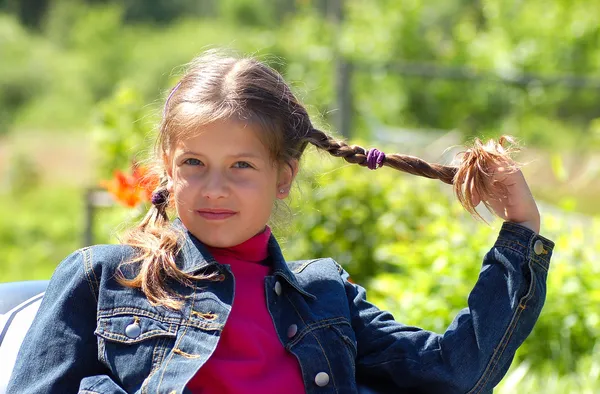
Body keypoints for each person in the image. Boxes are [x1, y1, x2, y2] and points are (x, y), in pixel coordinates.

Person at [6, 49, 554, 394]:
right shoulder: (100, 279)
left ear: (283, 177)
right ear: (168, 171)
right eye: (194, 164)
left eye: (241, 166)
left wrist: (520, 231)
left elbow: (451, 374)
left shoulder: (324, 296)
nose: (215, 188)